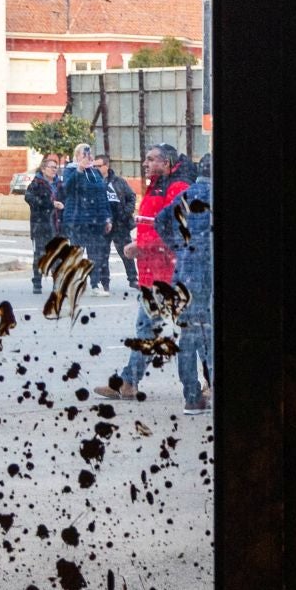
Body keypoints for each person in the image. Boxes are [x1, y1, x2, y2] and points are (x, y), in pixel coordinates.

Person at [94, 144, 193, 404]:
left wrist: (142, 246)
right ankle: (129, 382)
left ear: (167, 162)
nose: (145, 163)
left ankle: (130, 382)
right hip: (155, 272)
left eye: (151, 159)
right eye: (145, 158)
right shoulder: (159, 184)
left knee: (181, 330)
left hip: (168, 274)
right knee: (151, 329)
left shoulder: (176, 188)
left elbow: (178, 232)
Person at [160, 153, 215, 414]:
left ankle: (192, 396)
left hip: (185, 273)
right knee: (212, 334)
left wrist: (180, 248)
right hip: (211, 273)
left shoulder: (186, 196)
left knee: (189, 334)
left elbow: (162, 222)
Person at [59, 143, 114, 296]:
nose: (88, 158)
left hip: (95, 220)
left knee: (95, 253)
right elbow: (67, 189)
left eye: (89, 155)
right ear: (77, 156)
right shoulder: (71, 170)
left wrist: (107, 217)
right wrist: (79, 170)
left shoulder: (95, 173)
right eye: (84, 155)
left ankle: (95, 285)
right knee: (77, 252)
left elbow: (102, 195)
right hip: (77, 219)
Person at [25, 153, 63, 294]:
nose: (54, 170)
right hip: (40, 224)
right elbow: (30, 199)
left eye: (56, 168)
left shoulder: (59, 184)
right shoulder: (36, 184)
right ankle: (37, 282)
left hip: (57, 225)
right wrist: (50, 204)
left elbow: (66, 200)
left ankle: (57, 283)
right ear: (43, 169)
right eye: (51, 167)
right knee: (40, 254)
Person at [102, 156, 139, 290]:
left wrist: (125, 213)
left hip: (120, 222)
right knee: (103, 254)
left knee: (126, 252)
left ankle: (133, 279)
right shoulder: (94, 181)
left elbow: (131, 197)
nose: (96, 169)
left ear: (106, 166)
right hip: (103, 223)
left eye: (99, 166)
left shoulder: (119, 182)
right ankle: (104, 282)